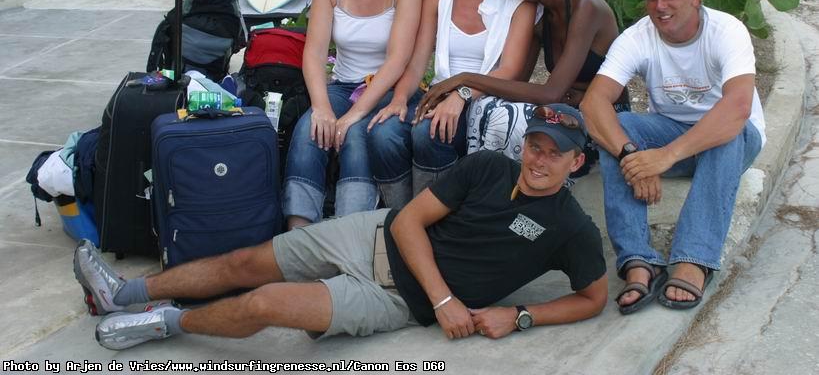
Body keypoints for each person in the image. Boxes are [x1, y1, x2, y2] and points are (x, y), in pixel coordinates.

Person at [73, 104, 606, 350]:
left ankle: (167, 322)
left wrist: (521, 315)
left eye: (554, 153)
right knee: (244, 262)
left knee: (264, 304)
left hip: (394, 300)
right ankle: (123, 293)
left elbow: (593, 298)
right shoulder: (490, 167)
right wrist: (445, 299)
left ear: (576, 163)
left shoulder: (571, 227)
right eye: (535, 145)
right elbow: (409, 222)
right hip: (374, 234)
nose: (539, 160)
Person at [579, 0, 765, 314]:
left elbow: (738, 107)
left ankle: (693, 258)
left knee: (728, 131)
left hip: (732, 138)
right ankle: (638, 259)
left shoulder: (726, 30)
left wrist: (664, 158)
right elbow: (593, 104)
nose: (659, 6)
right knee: (618, 127)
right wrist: (632, 157)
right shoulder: (638, 37)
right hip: (671, 129)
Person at [367, 0, 534, 207]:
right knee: (383, 134)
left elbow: (509, 70)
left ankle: (429, 217)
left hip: (484, 101)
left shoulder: (517, 3)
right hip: (437, 93)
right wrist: (400, 99)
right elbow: (418, 60)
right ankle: (396, 214)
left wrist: (461, 94)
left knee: (429, 133)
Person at [415, 0, 627, 174]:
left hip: (604, 118)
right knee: (489, 107)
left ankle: (502, 186)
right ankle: (482, 184)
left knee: (510, 120)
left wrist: (463, 79)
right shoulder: (543, 18)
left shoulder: (586, 7)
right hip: (566, 107)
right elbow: (518, 83)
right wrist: (461, 95)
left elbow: (550, 93)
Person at [282, 0, 422, 229]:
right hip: (344, 84)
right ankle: (298, 232)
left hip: (387, 88)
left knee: (356, 136)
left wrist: (353, 115)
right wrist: (321, 107)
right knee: (308, 130)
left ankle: (350, 230)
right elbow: (315, 52)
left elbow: (398, 59)